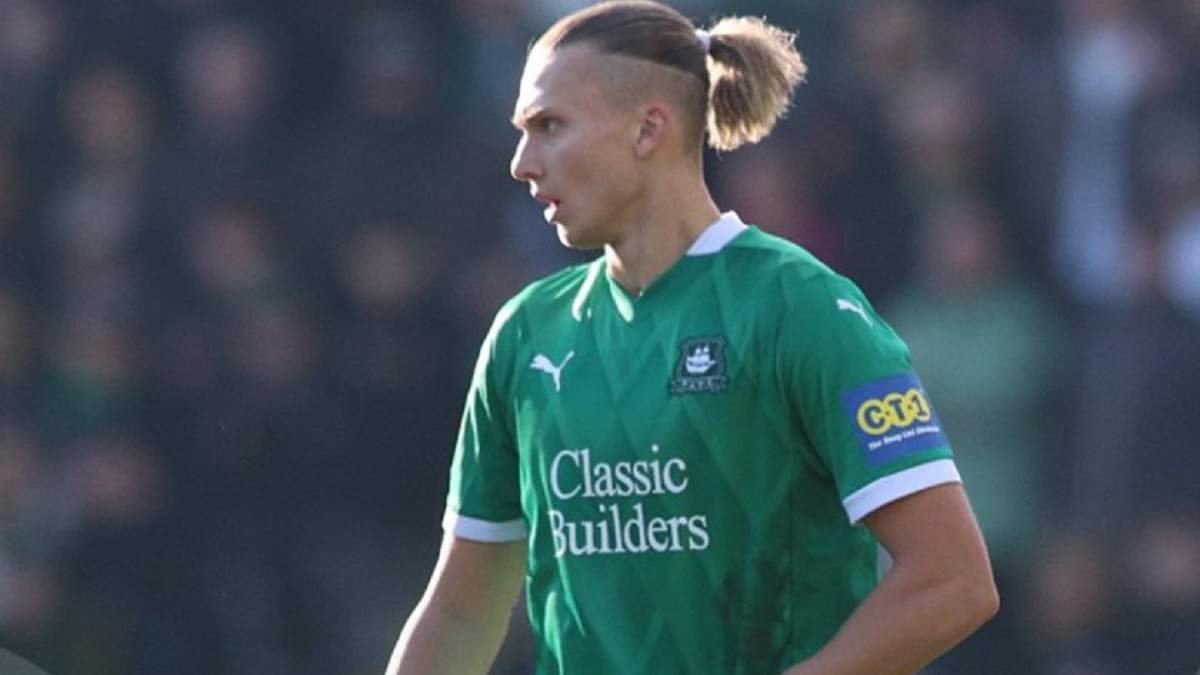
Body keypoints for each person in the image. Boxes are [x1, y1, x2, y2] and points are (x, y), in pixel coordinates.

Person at [386, 2, 997, 674]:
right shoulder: (526, 333)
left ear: (649, 128)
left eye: (549, 126)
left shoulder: (802, 308)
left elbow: (952, 580)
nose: (521, 164)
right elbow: (462, 611)